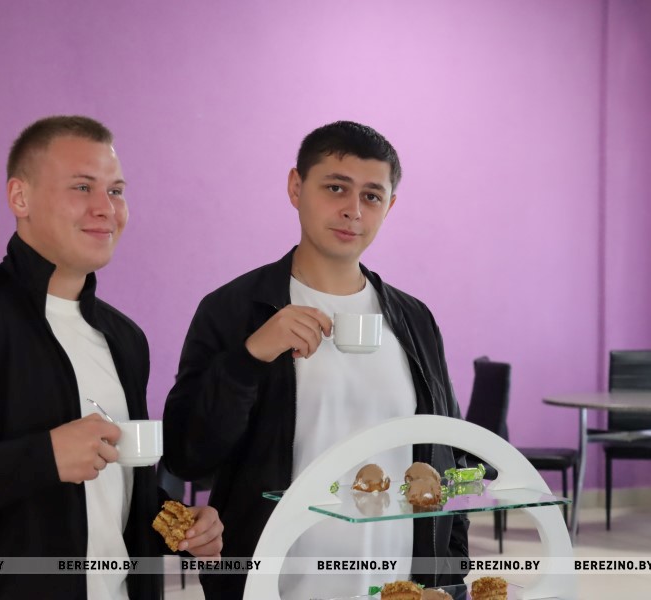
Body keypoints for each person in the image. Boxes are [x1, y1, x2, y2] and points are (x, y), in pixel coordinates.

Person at [0, 115, 223, 600]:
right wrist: (44, 457)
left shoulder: (124, 339)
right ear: (20, 197)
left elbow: (113, 494)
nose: (105, 208)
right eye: (82, 187)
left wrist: (176, 523)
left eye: (116, 191)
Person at [163, 121, 469, 599]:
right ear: (295, 187)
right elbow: (188, 455)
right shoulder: (233, 310)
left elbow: (447, 456)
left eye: (371, 196)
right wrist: (250, 357)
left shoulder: (414, 320)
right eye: (335, 188)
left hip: (400, 588)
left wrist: (449, 579)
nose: (353, 210)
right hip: (271, 586)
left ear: (389, 206)